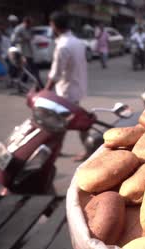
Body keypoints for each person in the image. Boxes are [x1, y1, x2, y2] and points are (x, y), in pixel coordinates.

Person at [44, 11, 89, 161]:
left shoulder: (63, 45)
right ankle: (56, 149)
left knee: (70, 121)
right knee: (65, 121)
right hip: (77, 87)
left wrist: (45, 91)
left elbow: (56, 73)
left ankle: (86, 150)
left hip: (67, 91)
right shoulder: (77, 42)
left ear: (55, 25)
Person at [12, 16, 42, 86]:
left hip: (29, 51)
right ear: (25, 23)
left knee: (27, 68)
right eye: (29, 24)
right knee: (33, 68)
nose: (30, 26)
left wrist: (31, 38)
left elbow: (31, 37)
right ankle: (40, 84)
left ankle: (22, 82)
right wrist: (23, 40)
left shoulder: (30, 29)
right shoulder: (18, 29)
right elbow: (13, 40)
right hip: (22, 52)